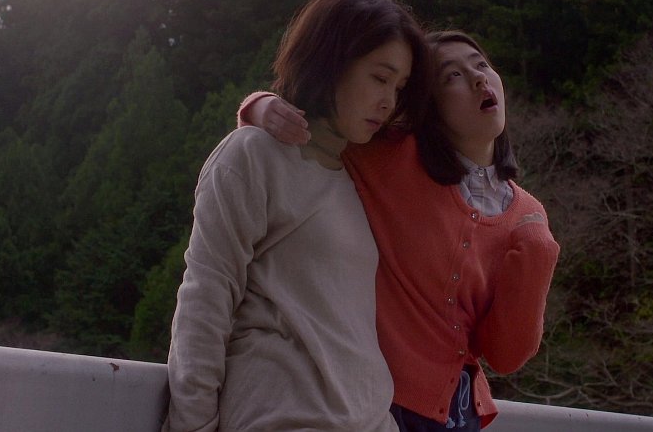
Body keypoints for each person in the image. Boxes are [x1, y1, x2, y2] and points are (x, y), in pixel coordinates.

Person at [237, 30, 559, 431]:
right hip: (377, 405)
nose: (479, 79)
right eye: (453, 76)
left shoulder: (528, 215)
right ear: (429, 104)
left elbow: (505, 355)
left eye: (481, 65)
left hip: (460, 414)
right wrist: (260, 107)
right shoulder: (393, 157)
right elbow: (308, 126)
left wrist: (538, 252)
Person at [163, 0, 431, 432]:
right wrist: (192, 425)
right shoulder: (253, 155)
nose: (389, 101)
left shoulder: (359, 176)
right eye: (379, 78)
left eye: (399, 88)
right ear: (331, 63)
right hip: (280, 417)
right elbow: (205, 298)